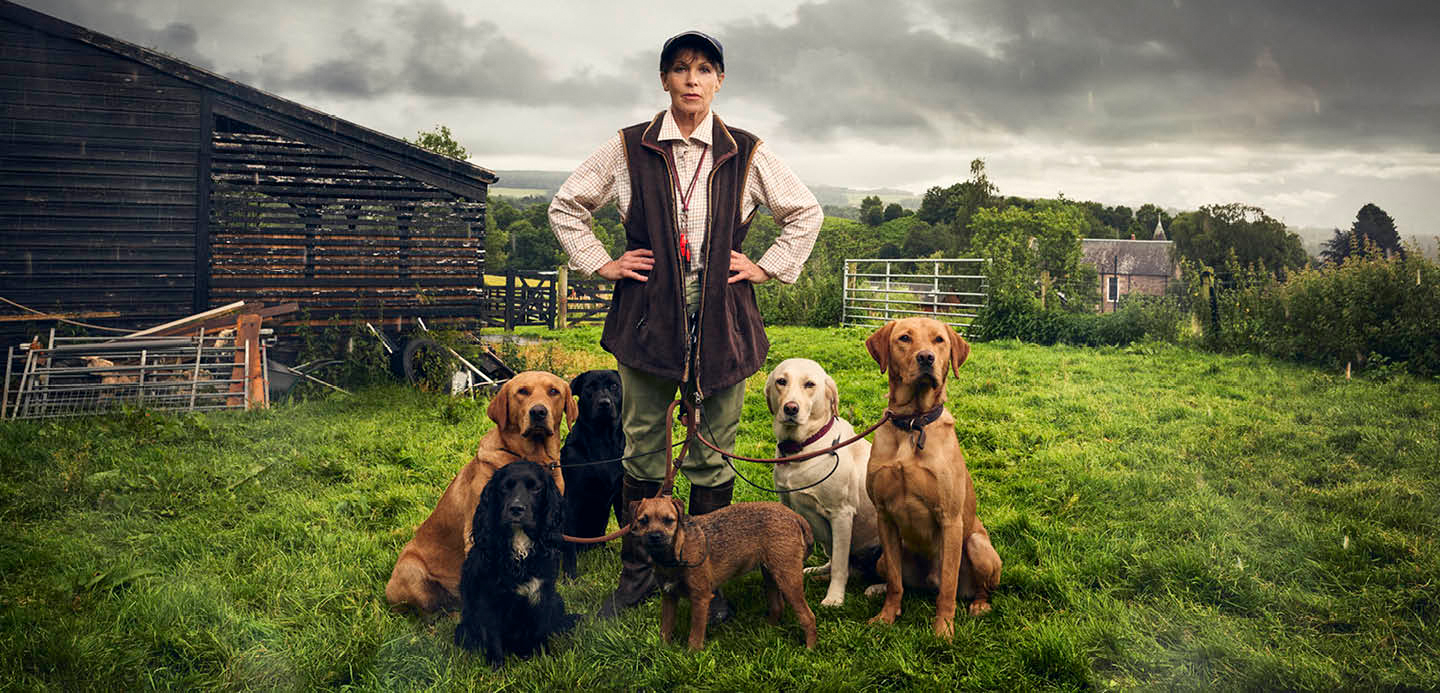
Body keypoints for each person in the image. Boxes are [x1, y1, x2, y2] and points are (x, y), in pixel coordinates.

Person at [549, 30, 823, 619]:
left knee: (714, 450)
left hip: (725, 319)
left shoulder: (746, 150)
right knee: (643, 443)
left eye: (704, 68)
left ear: (719, 80)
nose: (692, 79)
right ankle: (640, 575)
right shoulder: (627, 147)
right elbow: (566, 205)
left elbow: (805, 211)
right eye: (680, 69)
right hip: (647, 318)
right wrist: (602, 261)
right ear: (664, 80)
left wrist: (766, 266)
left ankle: (704, 574)